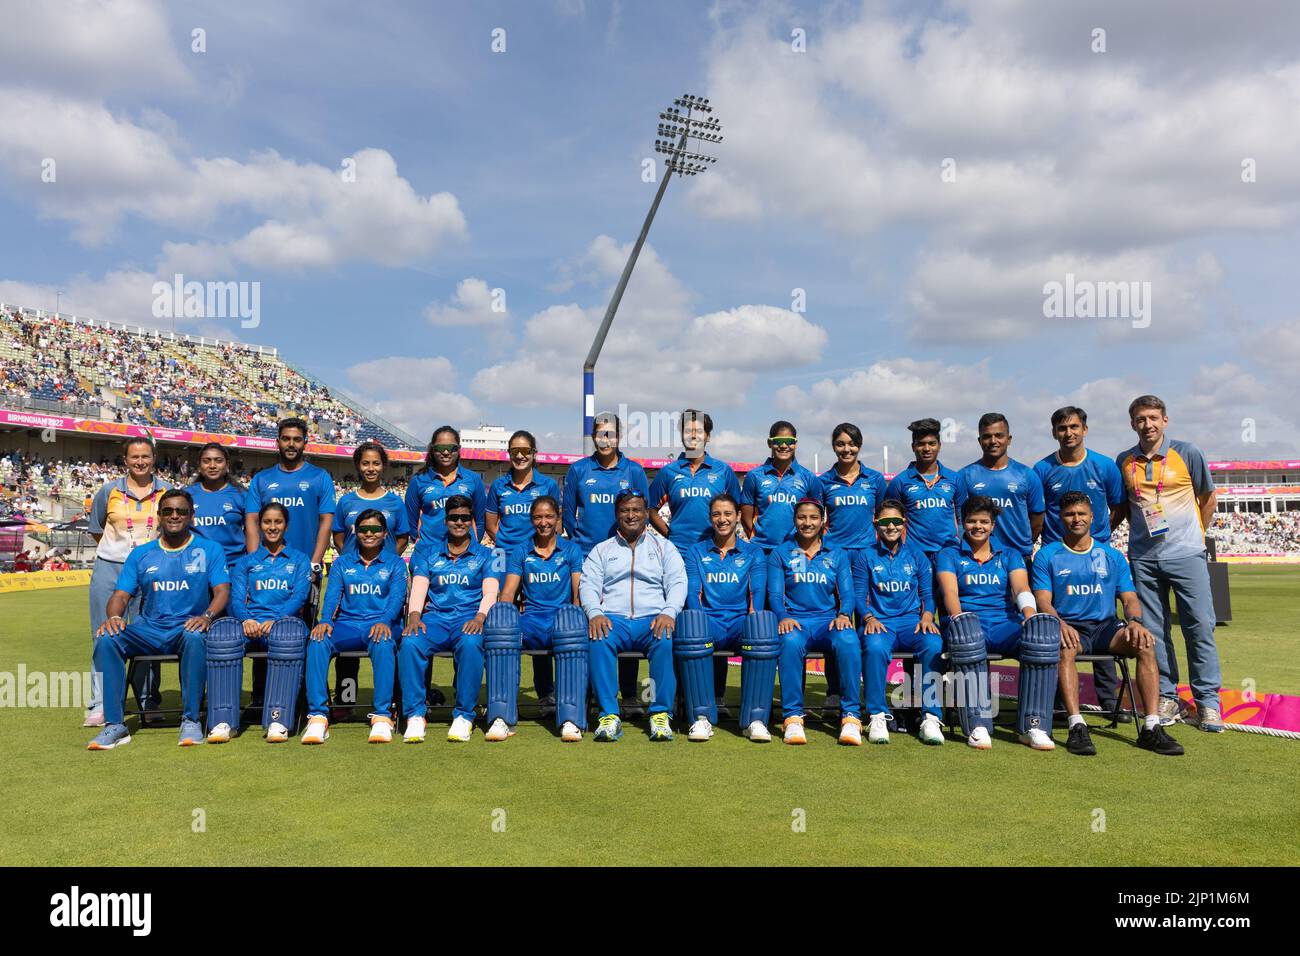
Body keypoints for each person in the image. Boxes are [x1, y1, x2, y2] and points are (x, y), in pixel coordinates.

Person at [1032, 492, 1183, 756]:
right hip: (1071, 626)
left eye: (1081, 514)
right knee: (1063, 647)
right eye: (1069, 514)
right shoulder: (1047, 555)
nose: (1076, 519)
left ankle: (1151, 727)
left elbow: (1129, 597)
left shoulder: (1111, 555)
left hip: (1105, 628)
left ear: (1092, 517)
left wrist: (1135, 622)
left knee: (1145, 644)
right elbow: (1042, 601)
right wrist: (1059, 623)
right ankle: (1076, 726)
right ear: (1060, 517)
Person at [87, 488, 230, 750]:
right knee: (107, 637)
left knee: (195, 636)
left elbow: (222, 591)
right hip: (149, 630)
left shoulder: (209, 549)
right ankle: (115, 725)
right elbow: (120, 595)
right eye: (168, 511)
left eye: (181, 511)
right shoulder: (141, 553)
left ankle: (191, 720)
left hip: (186, 629)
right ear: (160, 515)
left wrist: (207, 616)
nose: (174, 516)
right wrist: (114, 617)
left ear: (191, 516)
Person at [1114, 395, 1223, 731]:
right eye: (1140, 419)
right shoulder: (1124, 460)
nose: (1147, 425)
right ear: (1133, 424)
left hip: (1187, 555)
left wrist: (1195, 537)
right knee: (1154, 632)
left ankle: (1207, 703)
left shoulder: (1187, 453)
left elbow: (1208, 498)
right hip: (1144, 559)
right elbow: (1124, 507)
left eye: (1152, 418)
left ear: (1164, 420)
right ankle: (1166, 696)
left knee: (1200, 626)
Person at [935, 496, 1060, 751]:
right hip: (967, 623)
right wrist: (959, 618)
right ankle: (977, 724)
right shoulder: (949, 554)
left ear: (993, 525)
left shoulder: (1010, 554)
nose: (978, 526)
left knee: (1040, 636)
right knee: (969, 636)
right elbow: (950, 593)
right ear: (963, 523)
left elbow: (1021, 587)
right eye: (972, 521)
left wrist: (1029, 615)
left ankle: (1033, 725)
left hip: (1004, 623)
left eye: (984, 521)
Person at [648, 409, 742, 717]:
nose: (693, 435)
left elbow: (735, 509)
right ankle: (679, 697)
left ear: (708, 436)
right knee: (680, 626)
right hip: (678, 558)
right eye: (688, 431)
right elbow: (650, 508)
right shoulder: (668, 472)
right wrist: (669, 533)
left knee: (710, 621)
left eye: (698, 431)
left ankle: (714, 697)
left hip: (713, 557)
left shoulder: (723, 471)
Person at [1033, 406, 1126, 714]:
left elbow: (1119, 506)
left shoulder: (1104, 466)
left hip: (1095, 555)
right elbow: (1037, 511)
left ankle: (1109, 701)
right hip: (1055, 555)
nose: (1068, 433)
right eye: (1062, 428)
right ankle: (1061, 704)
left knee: (1103, 619)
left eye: (1074, 427)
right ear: (1054, 433)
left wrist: (1097, 540)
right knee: (1059, 624)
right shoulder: (1042, 469)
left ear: (1085, 429)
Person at [244, 418, 336, 712]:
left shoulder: (320, 477)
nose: (291, 444)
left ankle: (302, 696)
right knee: (262, 625)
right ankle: (262, 695)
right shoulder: (261, 479)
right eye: (286, 438)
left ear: (305, 442)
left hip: (304, 569)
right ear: (278, 441)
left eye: (297, 439)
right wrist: (255, 563)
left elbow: (326, 522)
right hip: (267, 569)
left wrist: (314, 563)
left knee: (305, 631)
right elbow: (251, 522)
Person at [580, 488, 686, 742]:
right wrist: (594, 613)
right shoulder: (602, 550)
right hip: (613, 619)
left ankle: (660, 714)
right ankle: (609, 716)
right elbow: (588, 584)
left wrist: (669, 612)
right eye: (625, 510)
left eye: (637, 510)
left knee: (665, 639)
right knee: (598, 637)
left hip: (653, 618)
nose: (631, 515)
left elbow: (678, 583)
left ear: (646, 514)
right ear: (616, 514)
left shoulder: (664, 547)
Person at [563, 412, 651, 715]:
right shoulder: (578, 470)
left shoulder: (634, 471)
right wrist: (582, 549)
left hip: (625, 556)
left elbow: (643, 513)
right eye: (600, 433)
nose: (605, 439)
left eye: (610, 433)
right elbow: (568, 514)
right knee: (592, 624)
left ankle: (628, 695)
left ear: (619, 437)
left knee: (627, 618)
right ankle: (591, 694)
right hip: (588, 558)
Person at [84, 436, 172, 727]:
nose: (140, 462)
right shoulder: (109, 490)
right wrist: (119, 554)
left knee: (148, 635)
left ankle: (148, 700)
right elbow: (97, 528)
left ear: (153, 458)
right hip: (110, 569)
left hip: (151, 572)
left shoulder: (166, 491)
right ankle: (101, 702)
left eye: (145, 456)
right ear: (125, 460)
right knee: (104, 634)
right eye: (134, 457)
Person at [205, 502, 311, 743]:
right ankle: (223, 721)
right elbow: (237, 597)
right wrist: (246, 620)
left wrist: (277, 619)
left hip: (286, 625)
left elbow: (299, 597)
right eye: (267, 522)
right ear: (259, 525)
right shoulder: (246, 562)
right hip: (251, 626)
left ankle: (278, 719)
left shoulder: (299, 559)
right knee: (223, 636)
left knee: (287, 637)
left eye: (278, 522)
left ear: (286, 525)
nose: (272, 527)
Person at [301, 510, 408, 745]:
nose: (369, 534)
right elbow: (332, 595)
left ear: (385, 533)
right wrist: (326, 620)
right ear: (355, 532)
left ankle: (382, 716)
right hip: (348, 625)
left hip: (382, 624)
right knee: (318, 641)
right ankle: (318, 716)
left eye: (375, 529)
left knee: (382, 641)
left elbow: (398, 598)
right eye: (364, 530)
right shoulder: (342, 563)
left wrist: (386, 620)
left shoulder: (396, 563)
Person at [399, 495, 499, 743]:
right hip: (435, 620)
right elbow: (420, 588)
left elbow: (491, 592)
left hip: (468, 619)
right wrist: (414, 616)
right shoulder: (428, 553)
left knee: (471, 644)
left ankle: (464, 715)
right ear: (446, 521)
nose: (459, 522)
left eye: (465, 517)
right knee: (410, 642)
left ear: (472, 521)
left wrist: (480, 616)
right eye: (454, 517)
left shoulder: (488, 555)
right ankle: (414, 715)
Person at [488, 496, 587, 742]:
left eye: (549, 517)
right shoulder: (521, 550)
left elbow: (578, 594)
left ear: (558, 519)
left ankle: (570, 719)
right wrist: (503, 617)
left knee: (571, 628)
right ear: (531, 520)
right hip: (531, 620)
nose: (543, 522)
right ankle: (501, 717)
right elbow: (509, 592)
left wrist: (575, 616)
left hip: (561, 620)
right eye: (538, 517)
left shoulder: (571, 549)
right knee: (502, 632)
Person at [768, 498, 862, 746]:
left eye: (813, 518)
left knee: (850, 640)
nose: (807, 523)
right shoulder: (781, 553)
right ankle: (793, 718)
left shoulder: (837, 553)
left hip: (827, 622)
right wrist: (782, 616)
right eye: (801, 517)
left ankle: (851, 717)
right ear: (794, 520)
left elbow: (847, 593)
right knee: (788, 643)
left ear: (823, 521)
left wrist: (844, 614)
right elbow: (775, 595)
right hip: (796, 622)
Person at [679, 493, 770, 741]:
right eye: (717, 514)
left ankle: (755, 719)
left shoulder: (753, 552)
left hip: (741, 623)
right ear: (710, 518)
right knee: (691, 626)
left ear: (738, 516)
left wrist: (753, 621)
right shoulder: (696, 551)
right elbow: (692, 593)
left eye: (728, 514)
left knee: (762, 628)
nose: (722, 519)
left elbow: (757, 592)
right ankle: (701, 718)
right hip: (710, 623)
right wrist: (697, 621)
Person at [484, 429, 562, 713]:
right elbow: (491, 522)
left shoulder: (548, 485)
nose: (519, 456)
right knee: (498, 621)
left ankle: (546, 693)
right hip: (504, 559)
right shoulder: (498, 486)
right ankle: (497, 692)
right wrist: (508, 545)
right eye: (514, 451)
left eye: (525, 451)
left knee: (539, 618)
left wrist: (532, 546)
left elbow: (556, 519)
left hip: (537, 556)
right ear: (509, 453)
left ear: (534, 454)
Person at [855, 499, 945, 745]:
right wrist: (869, 617)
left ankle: (930, 717)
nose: (891, 526)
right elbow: (859, 595)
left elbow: (928, 594)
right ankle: (877, 715)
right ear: (876, 524)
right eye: (885, 522)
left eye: (896, 521)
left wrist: (927, 616)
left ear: (904, 524)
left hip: (911, 623)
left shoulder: (917, 556)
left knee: (934, 644)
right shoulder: (865, 556)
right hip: (880, 623)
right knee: (873, 648)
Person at [819, 422, 887, 719]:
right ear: (833, 446)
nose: (846, 449)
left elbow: (887, 518)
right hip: (835, 560)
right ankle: (837, 692)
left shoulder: (875, 480)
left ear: (860, 445)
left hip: (867, 559)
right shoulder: (822, 482)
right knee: (839, 625)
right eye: (840, 444)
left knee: (869, 622)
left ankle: (872, 696)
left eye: (852, 444)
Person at [955, 413, 1044, 564]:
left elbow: (1037, 519)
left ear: (1009, 439)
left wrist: (1022, 544)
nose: (993, 441)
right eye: (987, 436)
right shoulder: (965, 475)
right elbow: (960, 518)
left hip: (1019, 556)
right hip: (978, 558)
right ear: (979, 440)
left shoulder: (1027, 474)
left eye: (999, 435)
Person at [405, 426, 487, 560]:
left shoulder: (473, 479)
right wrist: (422, 542)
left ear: (459, 449)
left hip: (464, 555)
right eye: (440, 448)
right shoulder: (418, 481)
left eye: (452, 448)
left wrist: (471, 544)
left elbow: (480, 520)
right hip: (428, 554)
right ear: (432, 449)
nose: (446, 452)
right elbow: (411, 522)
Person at [884, 418, 960, 561]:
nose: (926, 449)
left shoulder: (955, 478)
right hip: (914, 555)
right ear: (913, 446)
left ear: (939, 446)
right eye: (921, 444)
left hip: (949, 553)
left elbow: (963, 519)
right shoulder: (900, 481)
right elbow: (890, 520)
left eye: (932, 444)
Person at [740, 421, 822, 552]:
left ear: (795, 444)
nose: (784, 446)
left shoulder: (809, 477)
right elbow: (745, 515)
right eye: (779, 441)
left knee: (798, 573)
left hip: (797, 549)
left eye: (789, 441)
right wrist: (757, 537)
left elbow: (817, 514)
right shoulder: (754, 476)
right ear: (770, 443)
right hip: (762, 549)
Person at [333, 441, 410, 555]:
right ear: (358, 466)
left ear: (383, 466)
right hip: (352, 571)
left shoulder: (396, 502)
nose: (371, 468)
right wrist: (351, 561)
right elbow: (338, 539)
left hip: (385, 571)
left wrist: (387, 564)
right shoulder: (345, 502)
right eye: (365, 463)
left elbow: (403, 540)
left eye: (376, 463)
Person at [188, 442, 246, 575]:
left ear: (227, 464)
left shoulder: (241, 495)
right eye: (206, 461)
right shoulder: (187, 495)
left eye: (218, 461)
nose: (212, 466)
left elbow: (251, 533)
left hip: (233, 568)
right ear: (199, 465)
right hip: (196, 569)